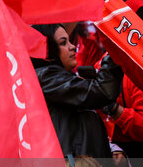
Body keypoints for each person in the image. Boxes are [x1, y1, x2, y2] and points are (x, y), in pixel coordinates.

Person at [31, 24, 123, 159]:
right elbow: (103, 90)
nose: (72, 46)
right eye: (63, 43)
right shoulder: (47, 79)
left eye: (69, 41)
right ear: (46, 52)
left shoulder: (57, 78)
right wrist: (115, 47)